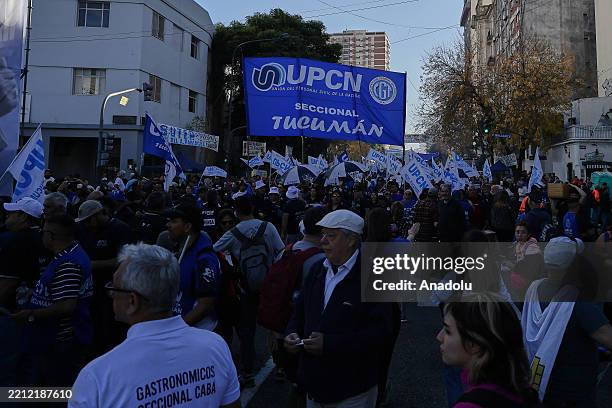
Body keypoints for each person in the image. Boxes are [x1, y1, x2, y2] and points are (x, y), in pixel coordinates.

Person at [69, 243, 240, 408]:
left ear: (132, 301)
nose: (111, 293)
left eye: (114, 287)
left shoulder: (96, 378)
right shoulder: (216, 347)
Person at [285, 209, 393, 407]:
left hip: (352, 390)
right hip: (314, 385)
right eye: (323, 234)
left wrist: (331, 344)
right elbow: (299, 311)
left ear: (352, 240)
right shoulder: (318, 269)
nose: (323, 240)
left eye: (331, 236)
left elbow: (381, 335)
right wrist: (292, 332)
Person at [521, 236, 612, 406]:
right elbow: (607, 336)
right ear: (574, 264)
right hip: (573, 393)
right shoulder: (577, 302)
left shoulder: (534, 288)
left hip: (539, 384)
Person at [14, 214, 94, 386]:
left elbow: (66, 306)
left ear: (51, 236)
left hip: (60, 341)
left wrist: (30, 315)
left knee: (56, 390)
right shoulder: (67, 254)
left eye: (43, 232)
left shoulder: (69, 263)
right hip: (55, 340)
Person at [213, 195, 285, 388]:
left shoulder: (234, 232)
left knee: (247, 331)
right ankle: (280, 366)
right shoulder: (268, 227)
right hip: (269, 285)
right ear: (253, 208)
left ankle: (247, 371)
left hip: (245, 287)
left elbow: (215, 249)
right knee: (274, 327)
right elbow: (281, 251)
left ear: (236, 212)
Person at [438, 293, 540, 407]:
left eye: (448, 331)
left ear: (474, 344)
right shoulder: (524, 392)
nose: (439, 337)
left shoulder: (471, 405)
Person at [75, 199, 134, 354]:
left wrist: (94, 264)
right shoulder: (83, 229)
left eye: (88, 221)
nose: (87, 225)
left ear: (97, 216)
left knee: (110, 326)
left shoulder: (120, 229)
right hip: (90, 287)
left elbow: (125, 259)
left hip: (112, 288)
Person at [166, 204, 221, 331]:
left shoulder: (204, 259)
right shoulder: (181, 250)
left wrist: (176, 328)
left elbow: (205, 304)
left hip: (199, 331)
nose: (168, 225)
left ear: (187, 227)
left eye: (174, 221)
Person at [510, 221, 544, 298]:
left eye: (523, 232)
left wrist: (512, 266)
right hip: (520, 281)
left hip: (528, 283)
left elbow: (530, 268)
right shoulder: (518, 244)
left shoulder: (532, 247)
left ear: (529, 234)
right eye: (517, 232)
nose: (519, 235)